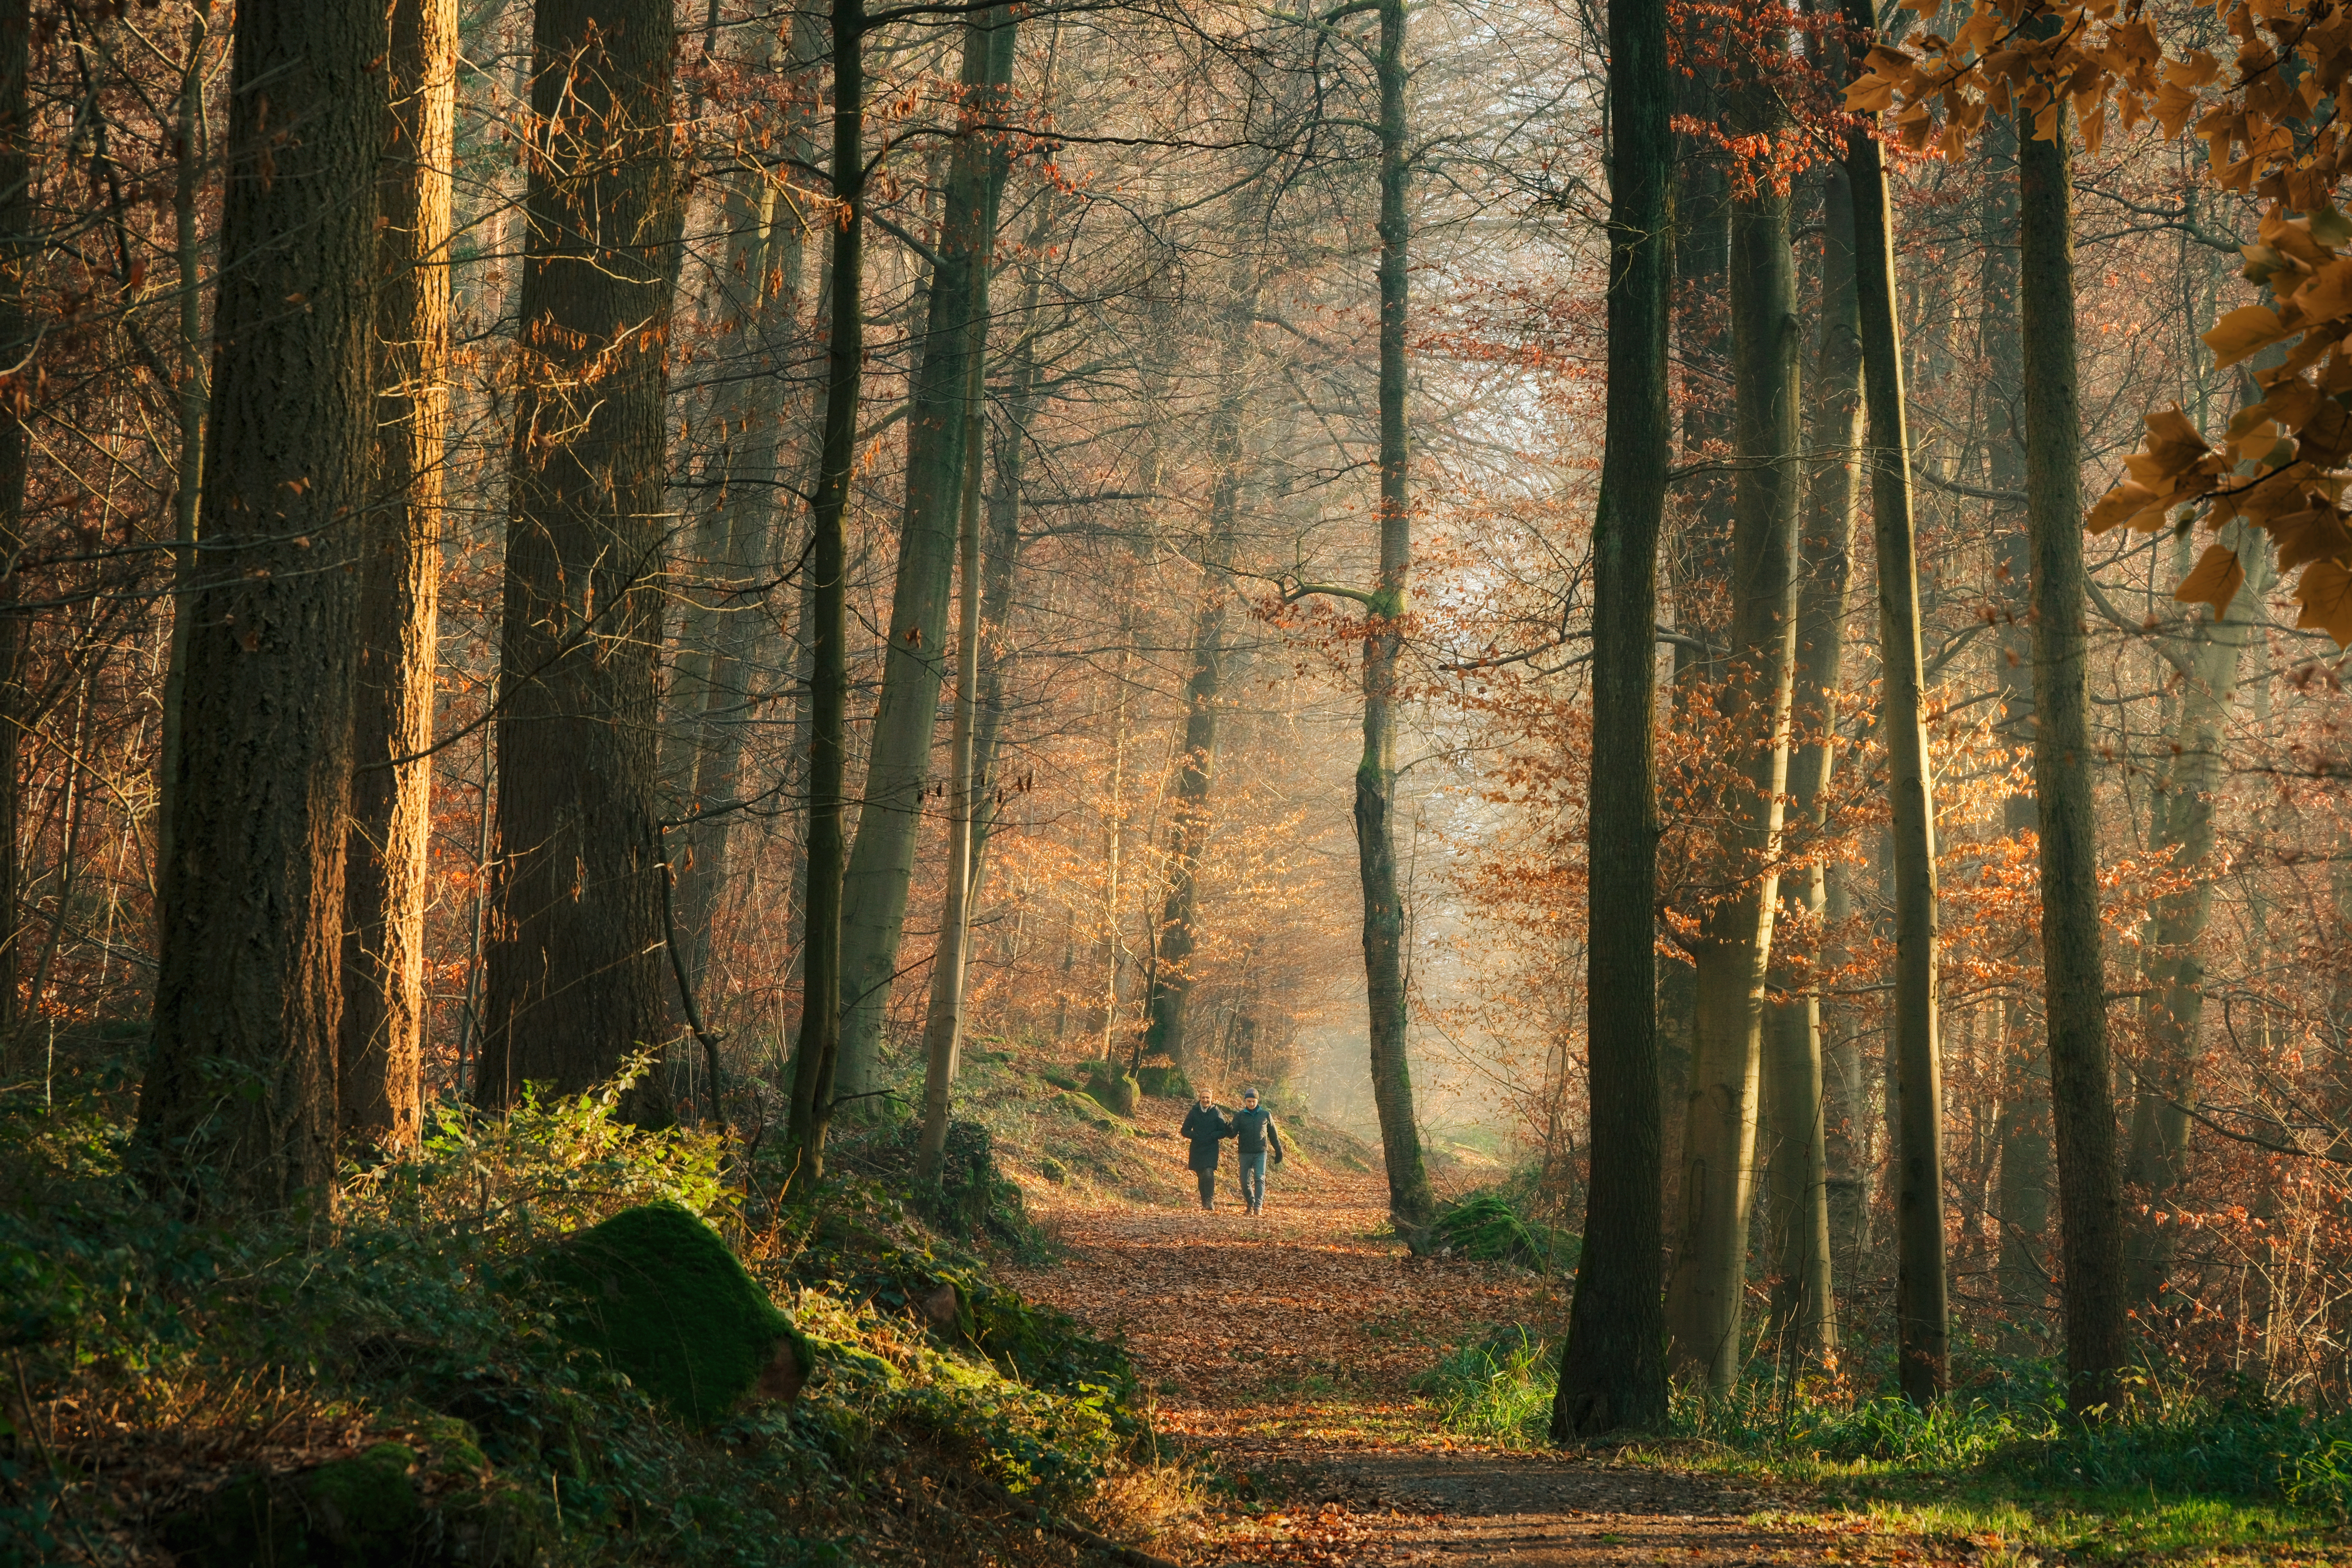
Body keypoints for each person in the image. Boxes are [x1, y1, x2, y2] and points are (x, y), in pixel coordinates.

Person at [1230, 1087, 1284, 1215]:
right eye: (1249, 1101)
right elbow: (1232, 1134)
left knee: (1260, 1178)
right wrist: (1228, 1129)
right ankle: (1251, 1202)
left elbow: (1274, 1135)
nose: (1251, 1104)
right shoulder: (1240, 1116)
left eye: (1254, 1101)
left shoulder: (1265, 1115)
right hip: (1245, 1152)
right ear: (1245, 1101)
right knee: (1244, 1180)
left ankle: (1258, 1206)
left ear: (1257, 1101)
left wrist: (1279, 1151)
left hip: (1261, 1152)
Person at [1179, 1089, 1232, 1211]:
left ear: (1212, 1099)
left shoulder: (1217, 1113)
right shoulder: (1194, 1112)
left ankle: (1210, 1201)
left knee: (1208, 1173)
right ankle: (1204, 1202)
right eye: (1203, 1098)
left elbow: (1223, 1131)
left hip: (1211, 1148)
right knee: (1201, 1176)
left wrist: (1213, 1136)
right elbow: (1184, 1130)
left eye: (1208, 1098)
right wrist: (1196, 1136)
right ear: (1200, 1099)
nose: (1205, 1100)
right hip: (1197, 1148)